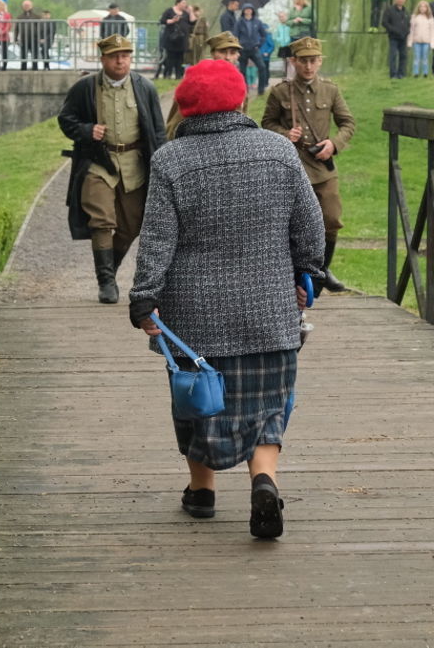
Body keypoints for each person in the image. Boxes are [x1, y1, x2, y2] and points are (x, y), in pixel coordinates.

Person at [128, 59, 325, 538]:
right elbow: (311, 227)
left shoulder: (170, 161)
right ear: (241, 100)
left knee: (201, 401)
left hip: (195, 318)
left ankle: (203, 492)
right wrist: (307, 274)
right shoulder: (279, 151)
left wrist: (144, 297)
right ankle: (264, 479)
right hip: (271, 309)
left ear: (186, 107)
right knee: (268, 404)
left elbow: (157, 240)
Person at [58, 33, 165, 303]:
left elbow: (158, 130)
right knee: (102, 220)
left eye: (126, 56)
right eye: (115, 56)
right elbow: (65, 119)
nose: (121, 61)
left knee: (131, 225)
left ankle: (111, 269)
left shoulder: (145, 87)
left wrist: (161, 163)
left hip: (134, 163)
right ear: (103, 59)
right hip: (98, 162)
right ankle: (105, 281)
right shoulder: (85, 88)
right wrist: (85, 130)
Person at [262, 36, 356, 293]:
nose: (308, 66)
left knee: (332, 218)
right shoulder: (281, 92)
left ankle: (322, 270)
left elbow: (348, 123)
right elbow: (267, 123)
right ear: (294, 61)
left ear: (320, 61)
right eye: (303, 61)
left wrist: (334, 144)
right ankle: (294, 276)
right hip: (292, 166)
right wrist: (284, 134)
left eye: (313, 61)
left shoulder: (331, 90)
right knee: (290, 223)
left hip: (322, 165)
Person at [165, 31, 243, 139]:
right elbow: (174, 123)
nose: (228, 57)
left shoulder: (239, 83)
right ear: (212, 54)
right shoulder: (196, 81)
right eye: (222, 51)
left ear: (238, 55)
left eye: (233, 52)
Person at [235, 4, 270, 95]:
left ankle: (261, 90)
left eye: (250, 9)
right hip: (243, 49)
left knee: (262, 67)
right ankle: (244, 90)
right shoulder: (239, 22)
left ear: (252, 11)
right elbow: (235, 35)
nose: (248, 11)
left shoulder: (257, 22)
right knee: (242, 70)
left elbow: (264, 35)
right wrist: (238, 46)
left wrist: (259, 44)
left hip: (254, 49)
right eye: (246, 9)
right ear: (243, 11)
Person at [159, 0, 195, 80]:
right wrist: (172, 20)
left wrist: (191, 11)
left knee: (181, 59)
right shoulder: (169, 11)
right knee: (170, 58)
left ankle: (179, 76)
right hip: (171, 39)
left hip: (182, 40)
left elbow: (193, 21)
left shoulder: (186, 13)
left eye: (185, 3)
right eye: (183, 3)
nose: (185, 5)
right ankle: (168, 75)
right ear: (178, 3)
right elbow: (162, 21)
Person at [382, 0, 410, 79]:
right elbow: (384, 23)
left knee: (403, 56)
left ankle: (401, 74)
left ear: (405, 0)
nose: (401, 0)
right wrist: (394, 30)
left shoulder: (406, 11)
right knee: (393, 56)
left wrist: (407, 31)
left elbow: (409, 23)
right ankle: (393, 74)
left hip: (403, 37)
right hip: (393, 37)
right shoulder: (389, 10)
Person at [408, 0, 434, 77]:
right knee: (416, 57)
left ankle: (425, 72)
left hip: (426, 41)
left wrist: (432, 43)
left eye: (424, 7)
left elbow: (433, 31)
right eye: (421, 7)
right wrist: (410, 42)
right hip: (416, 41)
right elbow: (411, 30)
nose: (423, 8)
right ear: (418, 8)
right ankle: (416, 72)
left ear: (427, 8)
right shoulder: (414, 17)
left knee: (425, 57)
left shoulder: (430, 18)